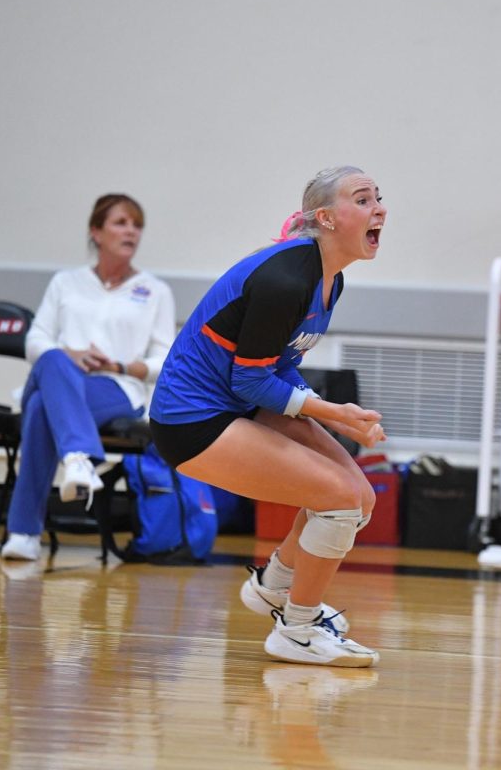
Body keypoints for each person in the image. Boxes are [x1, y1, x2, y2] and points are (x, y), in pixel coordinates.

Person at [149, 166, 387, 667]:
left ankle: (273, 588)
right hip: (193, 420)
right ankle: (297, 630)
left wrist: (334, 415)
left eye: (378, 199)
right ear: (325, 218)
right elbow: (250, 381)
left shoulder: (329, 278)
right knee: (339, 499)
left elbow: (279, 367)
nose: (379, 209)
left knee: (359, 498)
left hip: (240, 403)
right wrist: (334, 414)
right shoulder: (285, 278)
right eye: (363, 200)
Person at [0, 194, 176, 562]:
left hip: (116, 387)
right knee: (51, 360)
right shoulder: (66, 282)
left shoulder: (157, 291)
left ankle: (24, 532)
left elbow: (165, 361)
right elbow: (35, 339)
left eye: (136, 225)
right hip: (61, 376)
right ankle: (78, 456)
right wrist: (70, 355)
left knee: (38, 406)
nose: (131, 231)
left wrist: (120, 367)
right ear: (96, 232)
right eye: (120, 223)